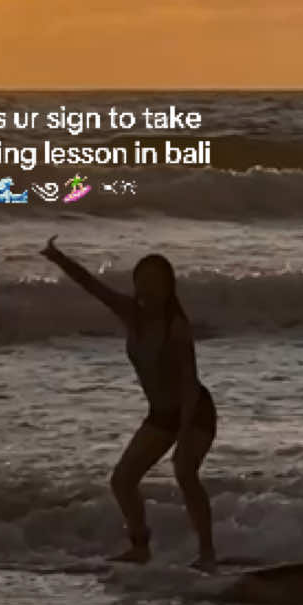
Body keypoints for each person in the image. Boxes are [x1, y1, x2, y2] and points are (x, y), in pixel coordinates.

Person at [41, 236, 217, 569]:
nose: (149, 289)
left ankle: (207, 554)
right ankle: (140, 547)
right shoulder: (130, 314)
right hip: (161, 414)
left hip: (194, 411)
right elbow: (92, 286)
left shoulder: (176, 327)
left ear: (169, 288)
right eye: (144, 282)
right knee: (122, 480)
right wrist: (58, 259)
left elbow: (189, 384)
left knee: (184, 471)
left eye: (157, 283)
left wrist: (182, 435)